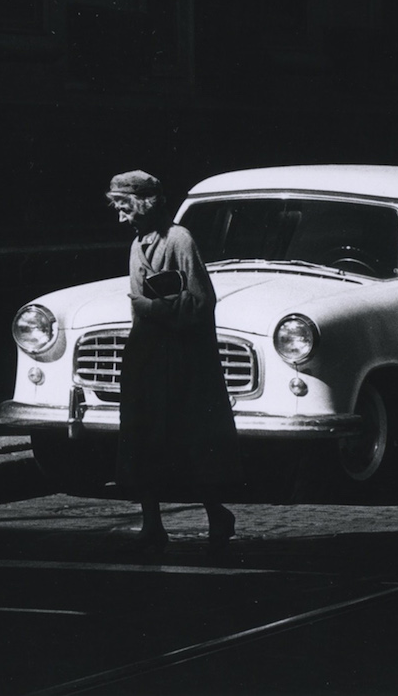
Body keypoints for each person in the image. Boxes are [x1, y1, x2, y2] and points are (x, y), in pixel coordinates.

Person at [107, 170, 240, 556]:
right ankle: (152, 523)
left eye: (125, 208)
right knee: (142, 438)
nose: (121, 217)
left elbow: (201, 301)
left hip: (181, 360)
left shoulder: (179, 240)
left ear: (145, 204)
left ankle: (217, 514)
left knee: (187, 441)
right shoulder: (138, 244)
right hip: (147, 356)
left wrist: (153, 307)